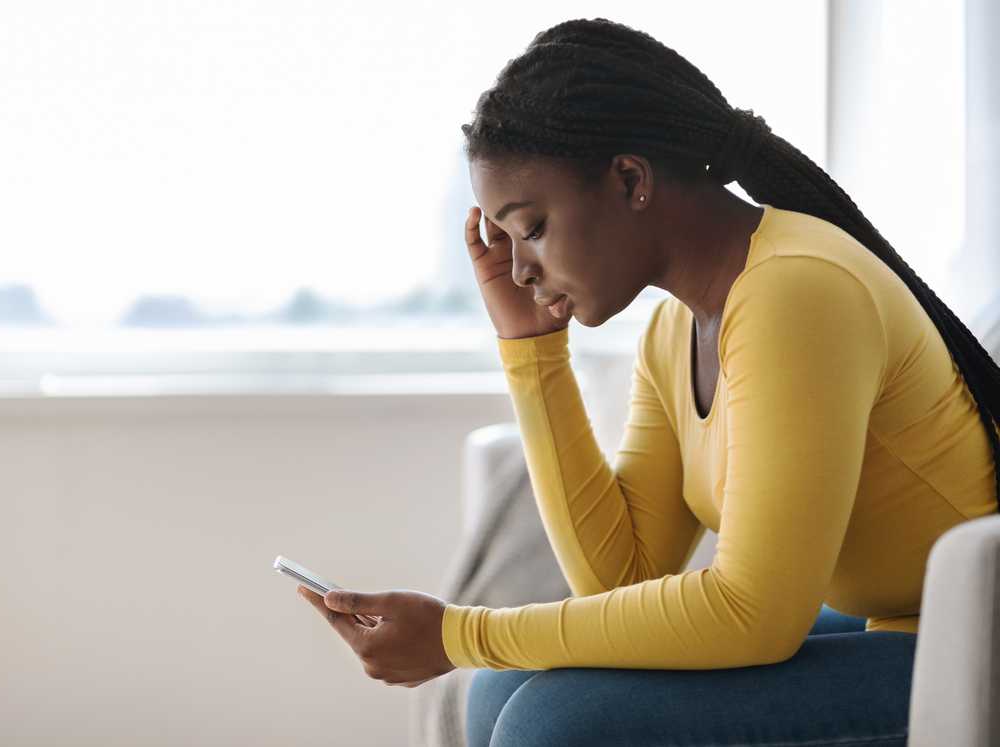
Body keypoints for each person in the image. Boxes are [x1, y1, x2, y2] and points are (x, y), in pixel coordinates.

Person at [298, 16, 1000, 746]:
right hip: (892, 623)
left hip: (972, 641)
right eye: (503, 240)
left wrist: (460, 632)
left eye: (531, 228)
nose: (518, 269)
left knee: (553, 724)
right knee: (502, 690)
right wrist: (532, 348)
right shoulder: (674, 331)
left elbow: (752, 612)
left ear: (630, 180)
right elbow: (620, 578)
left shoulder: (797, 292)